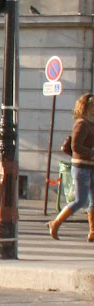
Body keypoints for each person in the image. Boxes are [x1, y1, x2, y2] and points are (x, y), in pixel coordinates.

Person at [48, 91, 94, 241]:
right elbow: (75, 146)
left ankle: (92, 232)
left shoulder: (91, 123)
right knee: (80, 200)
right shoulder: (81, 123)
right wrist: (91, 152)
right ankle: (55, 223)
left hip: (91, 167)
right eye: (93, 105)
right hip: (81, 168)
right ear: (86, 107)